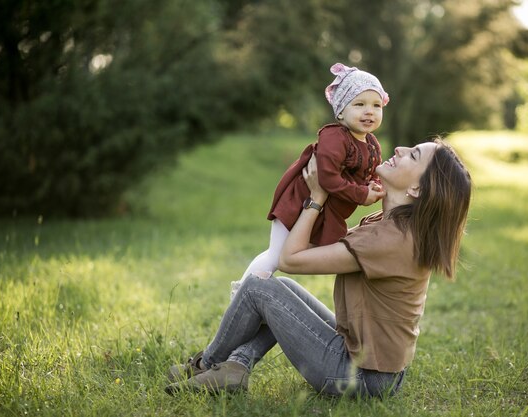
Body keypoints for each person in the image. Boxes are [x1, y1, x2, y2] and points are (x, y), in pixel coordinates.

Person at [165, 138, 472, 398]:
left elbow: (291, 259)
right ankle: (236, 367)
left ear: (417, 189)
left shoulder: (390, 240)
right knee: (280, 290)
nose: (402, 149)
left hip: (360, 376)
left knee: (260, 289)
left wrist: (317, 197)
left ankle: (205, 364)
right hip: (372, 367)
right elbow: (315, 252)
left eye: (413, 155)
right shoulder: (392, 227)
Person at [229, 63, 389, 299]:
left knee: (308, 252)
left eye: (376, 105)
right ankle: (243, 293)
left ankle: (257, 296)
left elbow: (371, 171)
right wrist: (361, 195)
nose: (369, 111)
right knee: (276, 254)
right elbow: (327, 178)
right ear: (341, 112)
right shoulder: (334, 137)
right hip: (298, 200)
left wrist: (373, 184)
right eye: (359, 104)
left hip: (325, 210)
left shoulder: (372, 143)